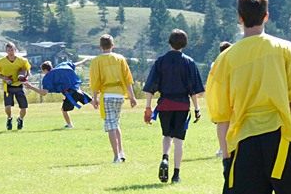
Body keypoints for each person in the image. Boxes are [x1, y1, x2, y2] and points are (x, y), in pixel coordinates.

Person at [205, 0, 291, 194]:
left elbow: (222, 117)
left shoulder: (225, 60)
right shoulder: (286, 50)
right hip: (282, 139)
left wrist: (226, 159)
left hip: (244, 144)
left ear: (240, 18)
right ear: (266, 16)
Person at [143, 29, 205, 183]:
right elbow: (193, 90)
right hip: (182, 105)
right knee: (179, 140)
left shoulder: (160, 61)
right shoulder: (189, 62)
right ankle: (176, 174)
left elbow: (151, 86)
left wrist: (148, 107)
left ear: (170, 42)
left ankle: (165, 157)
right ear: (185, 43)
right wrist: (197, 109)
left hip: (164, 104)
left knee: (166, 135)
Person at [89, 34, 137, 163]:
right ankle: (121, 151)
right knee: (116, 123)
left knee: (110, 126)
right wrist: (132, 96)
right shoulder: (120, 59)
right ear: (112, 45)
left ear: (100, 47)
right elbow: (128, 78)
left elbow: (95, 81)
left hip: (107, 95)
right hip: (120, 95)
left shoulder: (97, 61)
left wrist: (95, 98)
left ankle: (116, 156)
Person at [22, 59, 93, 128]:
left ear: (45, 70)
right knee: (94, 102)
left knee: (64, 110)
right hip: (78, 90)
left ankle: (69, 125)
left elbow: (44, 93)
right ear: (52, 67)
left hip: (70, 94)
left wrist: (31, 87)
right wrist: (84, 60)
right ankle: (103, 108)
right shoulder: (63, 65)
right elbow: (76, 64)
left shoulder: (48, 77)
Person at [0, 42, 32, 130]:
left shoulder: (22, 61)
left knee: (24, 108)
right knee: (8, 106)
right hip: (8, 86)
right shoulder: (0, 62)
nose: (11, 52)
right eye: (9, 50)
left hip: (19, 85)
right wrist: (4, 78)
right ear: (6, 51)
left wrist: (25, 78)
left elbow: (27, 70)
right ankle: (9, 118)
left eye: (12, 50)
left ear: (15, 50)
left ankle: (20, 119)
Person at [213, 41, 232, 158]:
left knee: (221, 123)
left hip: (221, 97)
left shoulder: (216, 64)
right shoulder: (234, 62)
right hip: (233, 96)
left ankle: (222, 148)